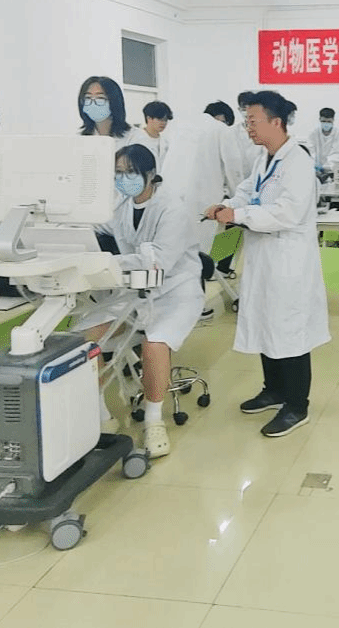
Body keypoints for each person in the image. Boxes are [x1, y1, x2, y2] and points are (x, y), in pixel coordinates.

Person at [206, 91, 330, 438]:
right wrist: (227, 205)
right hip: (264, 258)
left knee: (289, 331)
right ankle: (274, 390)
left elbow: (287, 212)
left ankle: (297, 406)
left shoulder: (297, 161)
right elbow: (248, 191)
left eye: (253, 121)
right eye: (246, 121)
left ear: (276, 122)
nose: (248, 127)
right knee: (265, 322)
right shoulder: (265, 158)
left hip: (288, 262)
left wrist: (239, 215)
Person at [102, 144, 202, 458]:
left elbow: (159, 263)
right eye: (118, 173)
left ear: (150, 174)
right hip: (135, 290)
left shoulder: (171, 208)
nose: (123, 179)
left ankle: (154, 421)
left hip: (176, 291)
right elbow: (102, 224)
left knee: (154, 343)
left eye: (130, 172)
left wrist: (112, 263)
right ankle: (98, 415)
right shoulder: (122, 205)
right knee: (91, 338)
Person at [162, 104, 242, 261]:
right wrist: (238, 199)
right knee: (200, 252)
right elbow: (234, 168)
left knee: (173, 246)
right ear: (222, 119)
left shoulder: (180, 126)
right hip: (201, 200)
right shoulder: (221, 130)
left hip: (169, 196)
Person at [78, 76, 132, 147]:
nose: (93, 103)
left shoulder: (134, 137)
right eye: (88, 97)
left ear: (114, 101)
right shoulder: (79, 138)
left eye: (100, 98)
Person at [128, 100, 173, 171]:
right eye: (159, 119)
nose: (163, 123)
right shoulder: (136, 139)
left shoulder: (166, 143)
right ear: (148, 118)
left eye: (165, 120)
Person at [307, 107, 339, 176]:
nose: (326, 124)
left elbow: (337, 153)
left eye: (329, 122)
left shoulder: (338, 134)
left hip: (332, 169)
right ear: (319, 119)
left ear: (333, 120)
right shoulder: (313, 133)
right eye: (323, 121)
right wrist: (315, 164)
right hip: (315, 169)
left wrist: (326, 166)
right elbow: (310, 151)